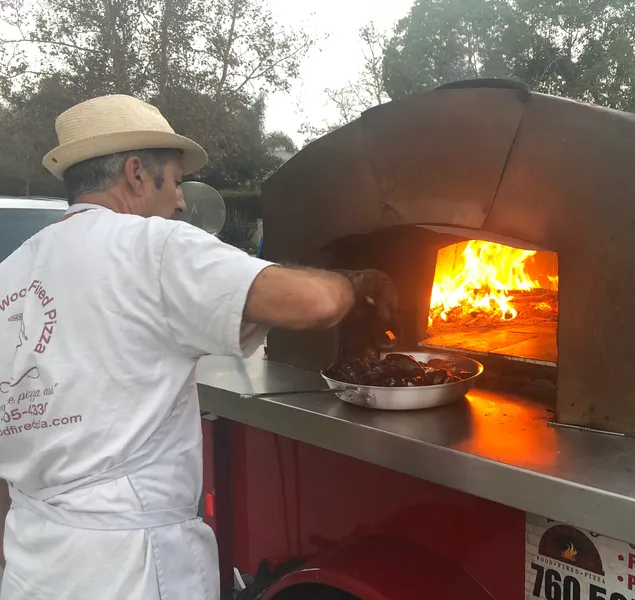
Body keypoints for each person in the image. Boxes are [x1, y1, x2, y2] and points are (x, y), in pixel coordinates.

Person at [0, 95, 397, 600]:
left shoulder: (11, 273)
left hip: (31, 566)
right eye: (176, 180)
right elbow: (314, 303)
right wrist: (358, 285)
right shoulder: (150, 246)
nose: (182, 202)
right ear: (136, 174)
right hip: (131, 571)